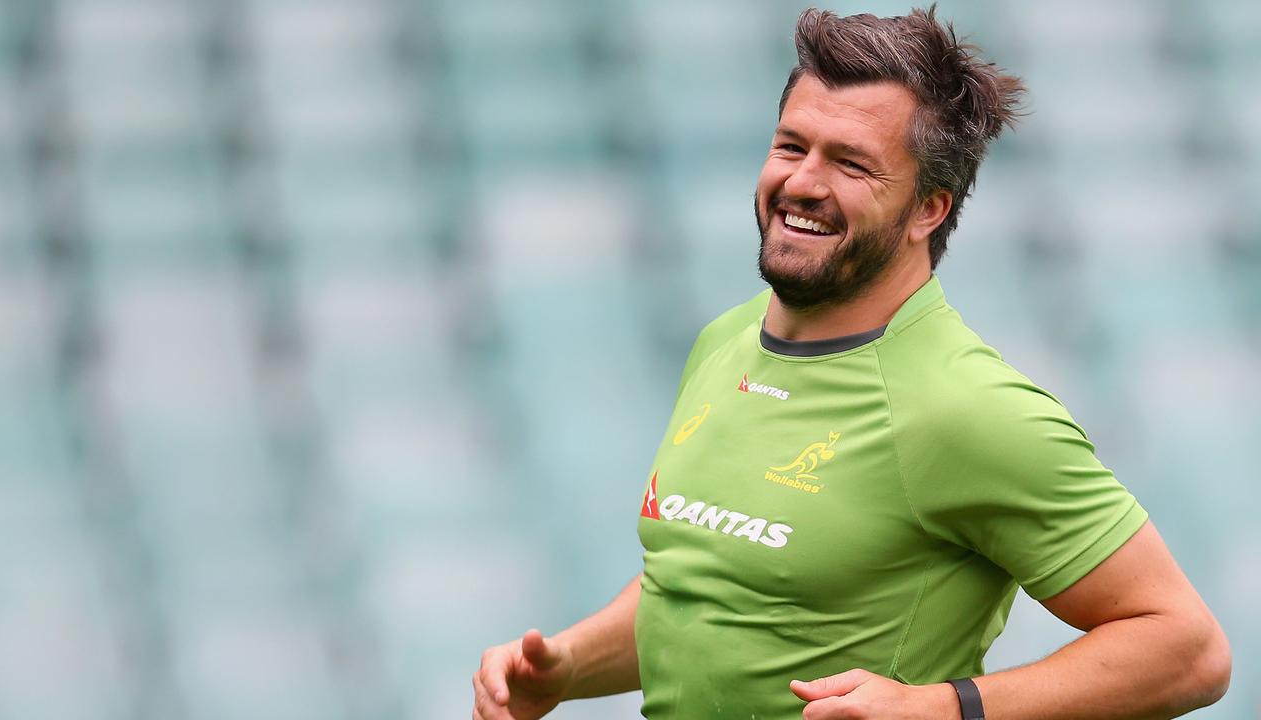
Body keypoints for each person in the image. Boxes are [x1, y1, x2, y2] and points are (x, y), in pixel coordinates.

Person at [473, 7, 1231, 720]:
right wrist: (567, 667)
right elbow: (716, 584)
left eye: (852, 164)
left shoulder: (967, 408)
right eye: (792, 145)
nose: (803, 182)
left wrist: (943, 706)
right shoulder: (725, 343)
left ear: (929, 209)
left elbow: (1188, 649)